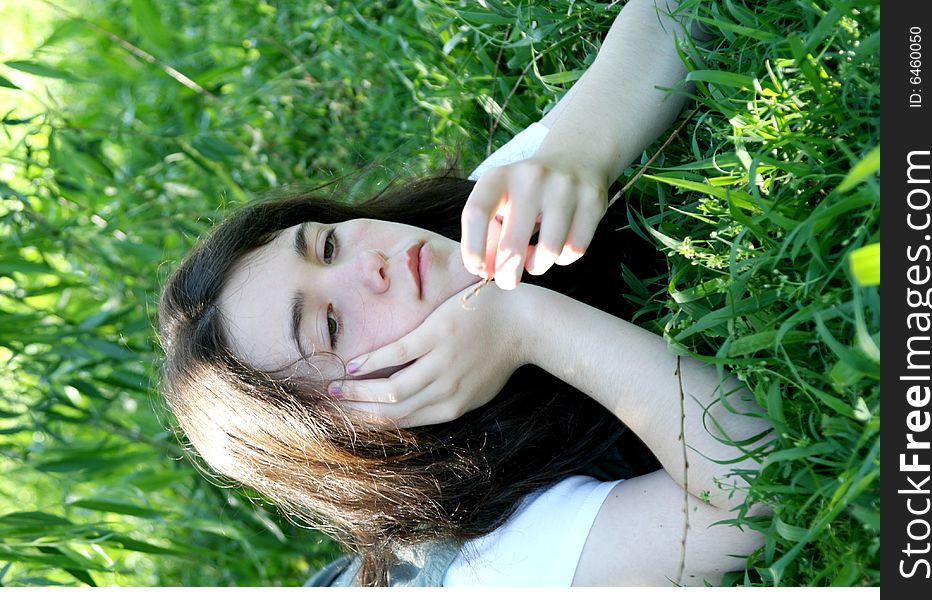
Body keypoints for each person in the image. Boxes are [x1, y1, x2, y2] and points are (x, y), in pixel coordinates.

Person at [157, 0, 772, 586]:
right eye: (331, 326)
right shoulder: (492, 561)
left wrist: (581, 147)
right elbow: (757, 486)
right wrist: (525, 324)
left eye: (326, 245)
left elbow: (674, 18)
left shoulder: (475, 224)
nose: (370, 264)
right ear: (348, 424)